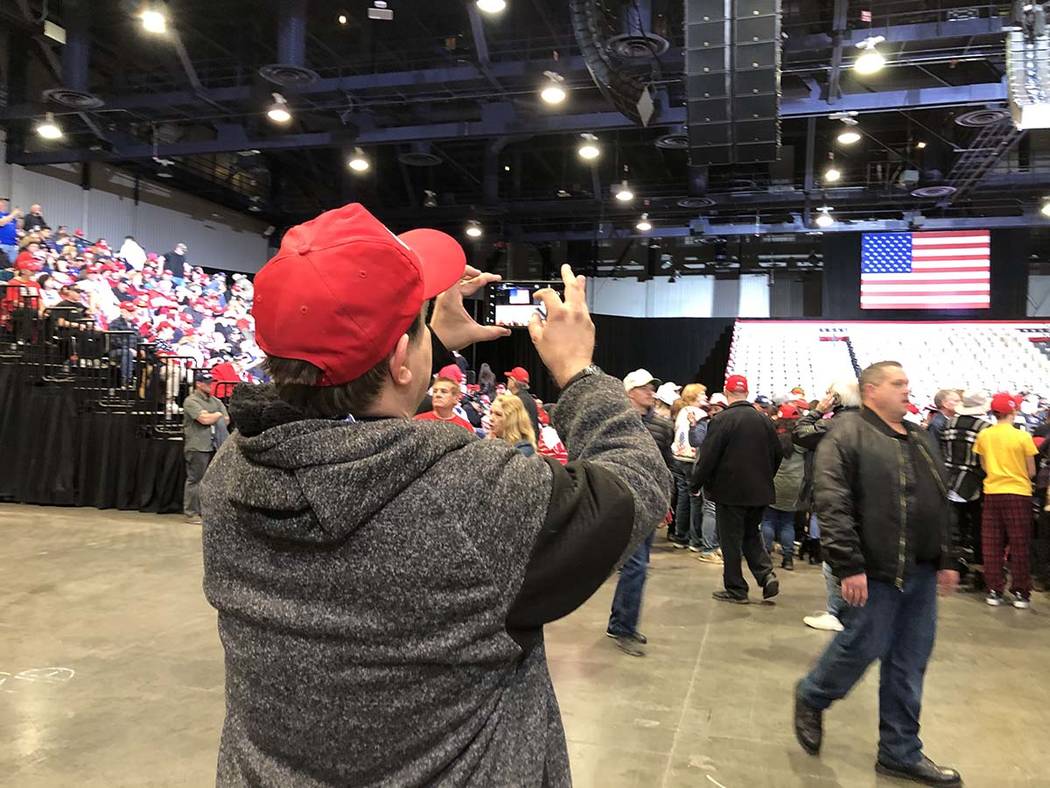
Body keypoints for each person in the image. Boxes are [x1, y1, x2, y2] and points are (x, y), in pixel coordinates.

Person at [199, 204, 670, 786]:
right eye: (417, 325)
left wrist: (422, 350)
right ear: (400, 360)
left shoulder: (228, 475)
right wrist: (578, 372)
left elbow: (331, 424)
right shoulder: (473, 493)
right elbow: (638, 486)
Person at [794, 361, 961, 787]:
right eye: (898, 383)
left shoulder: (922, 438)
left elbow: (939, 500)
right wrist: (849, 565)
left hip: (921, 574)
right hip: (875, 571)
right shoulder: (847, 434)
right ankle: (813, 695)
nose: (908, 389)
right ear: (871, 390)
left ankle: (900, 752)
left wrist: (947, 558)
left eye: (907, 383)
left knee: (909, 664)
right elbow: (832, 501)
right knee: (859, 646)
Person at [691, 374, 784, 604]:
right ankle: (765, 575)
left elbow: (708, 456)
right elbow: (778, 453)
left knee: (730, 541)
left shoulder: (722, 420)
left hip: (730, 492)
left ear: (727, 391)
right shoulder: (764, 420)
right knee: (751, 534)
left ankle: (736, 589)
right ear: (747, 392)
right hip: (760, 491)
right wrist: (765, 477)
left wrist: (696, 483)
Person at [606, 368, 674, 656]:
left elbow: (665, 465)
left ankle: (619, 623)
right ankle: (623, 627)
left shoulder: (660, 426)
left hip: (649, 502)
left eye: (652, 388)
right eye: (645, 388)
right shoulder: (615, 424)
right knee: (636, 566)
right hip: (625, 502)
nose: (650, 392)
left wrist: (665, 501)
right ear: (630, 392)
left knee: (637, 565)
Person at [794, 379, 861, 632]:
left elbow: (800, 433)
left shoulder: (835, 424)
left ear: (836, 398)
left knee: (835, 556)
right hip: (854, 498)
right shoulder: (865, 423)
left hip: (836, 498)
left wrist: (818, 410)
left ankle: (838, 612)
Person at [974, 392, 1040, 609]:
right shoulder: (1022, 437)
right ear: (1013, 410)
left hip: (992, 490)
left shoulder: (985, 435)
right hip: (1018, 492)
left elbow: (984, 465)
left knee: (992, 542)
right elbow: (1031, 470)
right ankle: (1021, 591)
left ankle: (994, 589)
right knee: (1019, 543)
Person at [940, 390, 992, 584]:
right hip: (973, 481)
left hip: (949, 478)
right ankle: (979, 569)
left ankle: (955, 566)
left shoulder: (949, 423)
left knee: (953, 528)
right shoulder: (984, 428)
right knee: (978, 527)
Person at [182, 370, 229, 525]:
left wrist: (213, 416)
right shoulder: (191, 401)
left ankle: (205, 511)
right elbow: (203, 419)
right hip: (198, 446)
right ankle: (191, 513)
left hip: (214, 445)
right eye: (207, 382)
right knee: (195, 479)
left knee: (210, 481)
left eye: (211, 382)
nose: (210, 385)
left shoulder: (215, 401)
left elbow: (226, 419)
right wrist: (216, 416)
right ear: (199, 384)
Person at [762, 404, 804, 570]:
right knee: (788, 523)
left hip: (774, 484)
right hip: (795, 486)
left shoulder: (772, 438)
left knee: (768, 520)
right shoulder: (803, 440)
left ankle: (765, 555)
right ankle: (788, 559)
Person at [669, 383, 707, 551]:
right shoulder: (701, 414)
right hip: (692, 459)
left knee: (683, 497)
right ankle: (695, 539)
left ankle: (680, 536)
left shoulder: (681, 412)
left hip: (677, 457)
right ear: (694, 396)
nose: (705, 396)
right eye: (702, 394)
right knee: (695, 500)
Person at [505, 365, 540, 435]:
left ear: (513, 381)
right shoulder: (530, 399)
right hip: (530, 442)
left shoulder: (516, 401)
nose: (507, 380)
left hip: (520, 442)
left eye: (509, 378)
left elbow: (511, 427)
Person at [0, 198, 22, 263]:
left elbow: (19, 226)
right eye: (2, 202)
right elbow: (2, 223)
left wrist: (20, 217)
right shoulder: (10, 215)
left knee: (12, 265)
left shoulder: (8, 215)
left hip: (13, 244)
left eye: (4, 202)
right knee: (2, 264)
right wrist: (13, 214)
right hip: (2, 243)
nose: (4, 203)